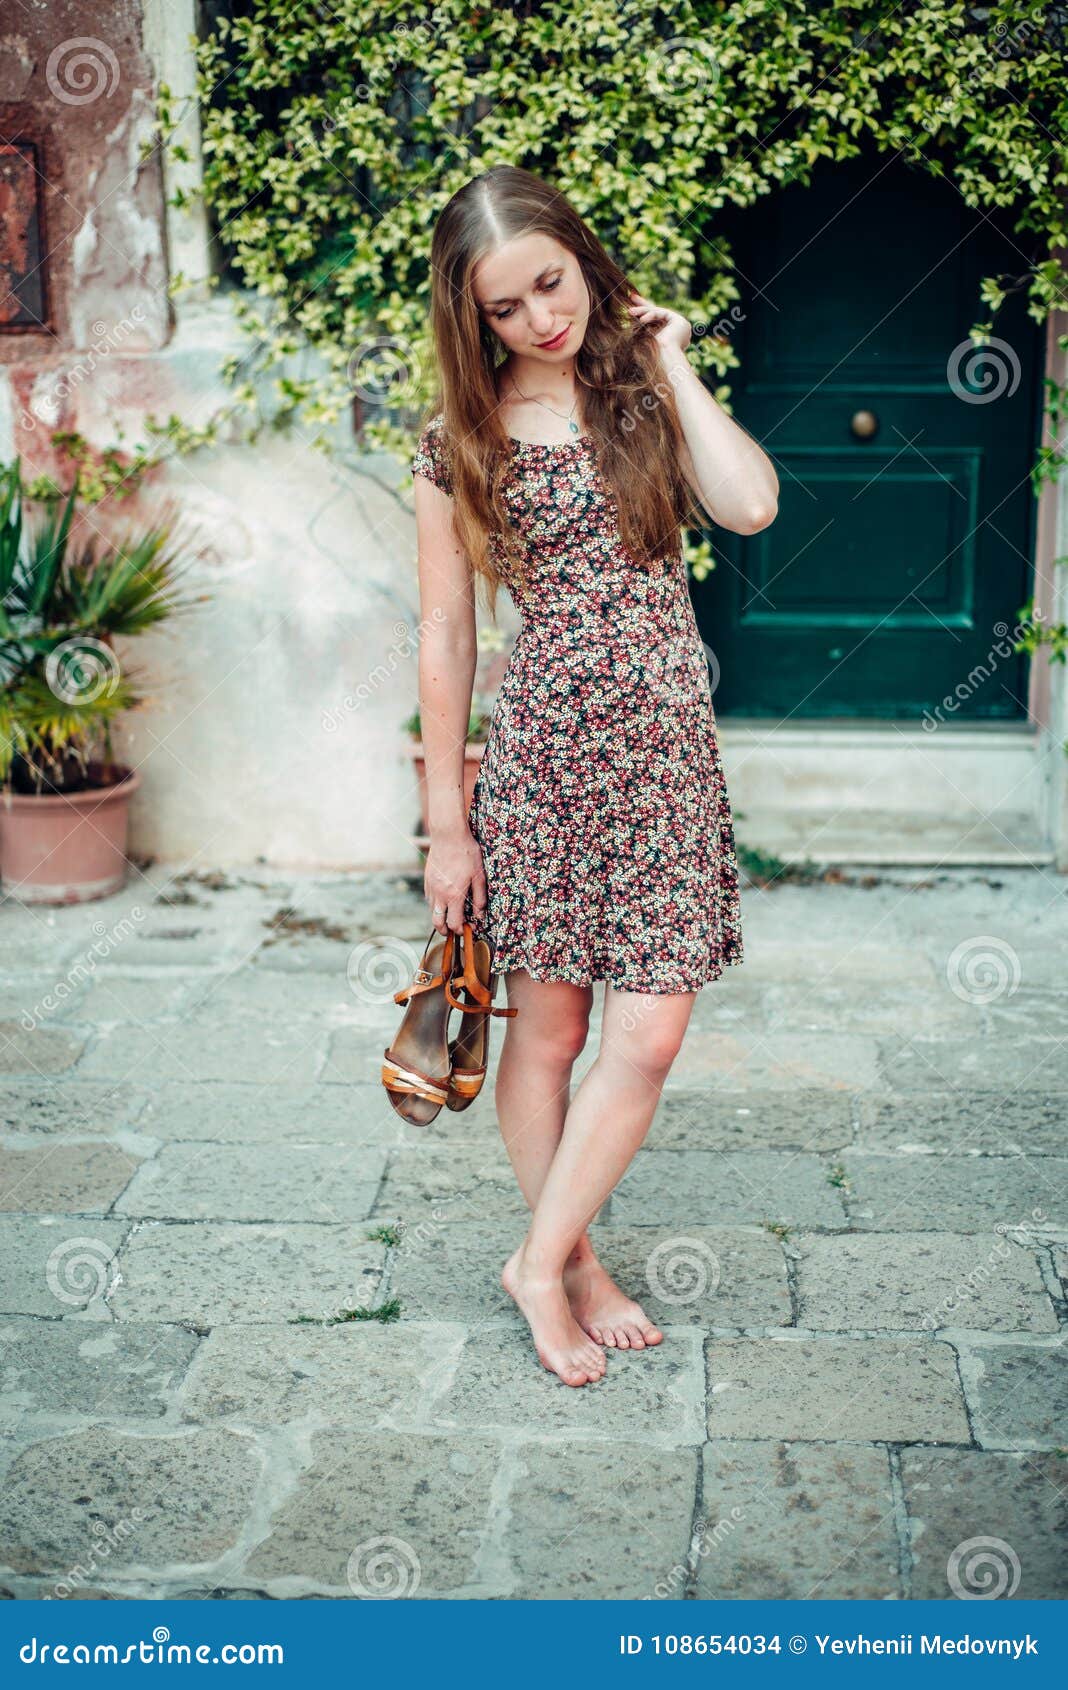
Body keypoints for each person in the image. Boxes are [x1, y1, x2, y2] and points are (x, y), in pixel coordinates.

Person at [409, 164, 778, 1388]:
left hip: (667, 752)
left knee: (652, 1035)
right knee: (552, 1028)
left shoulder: (637, 393)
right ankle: (569, 1266)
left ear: (581, 257)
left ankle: (534, 1255)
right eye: (504, 310)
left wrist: (671, 356)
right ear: (476, 322)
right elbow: (446, 637)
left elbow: (751, 504)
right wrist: (445, 827)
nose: (539, 321)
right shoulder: (457, 441)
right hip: (548, 761)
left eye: (550, 286)